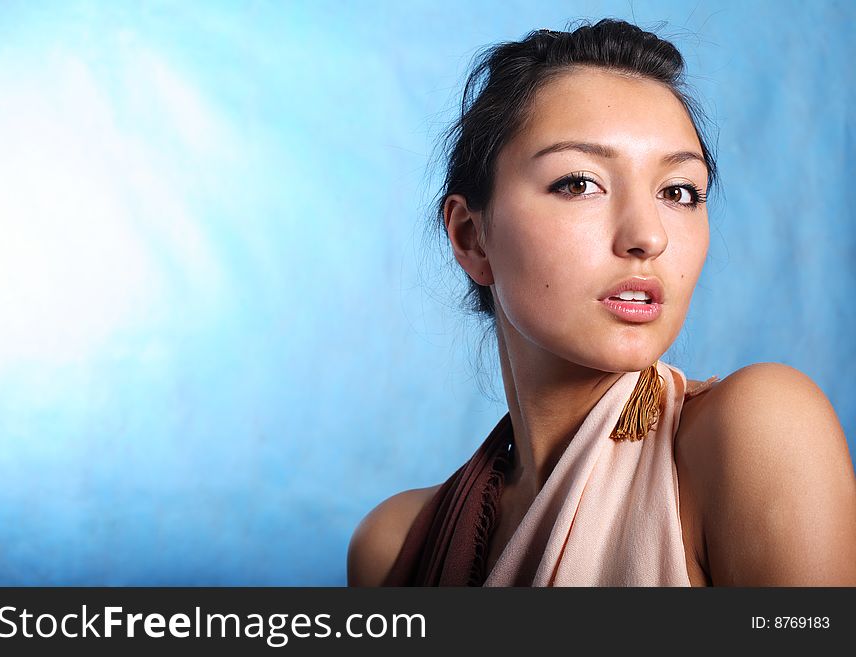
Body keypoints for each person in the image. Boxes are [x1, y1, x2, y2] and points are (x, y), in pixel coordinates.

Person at [347, 18, 856, 586]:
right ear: (471, 236)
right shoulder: (393, 546)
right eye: (580, 183)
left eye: (679, 191)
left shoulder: (757, 432)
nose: (649, 235)